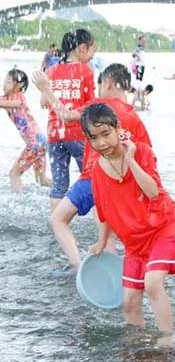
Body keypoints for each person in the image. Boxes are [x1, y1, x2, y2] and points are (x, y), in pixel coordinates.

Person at [81, 103, 175, 339]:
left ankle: (167, 341)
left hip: (163, 227)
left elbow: (153, 191)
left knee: (152, 282)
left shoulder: (141, 151)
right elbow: (104, 210)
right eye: (94, 138)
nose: (101, 143)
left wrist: (131, 160)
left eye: (106, 134)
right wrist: (102, 241)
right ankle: (137, 346)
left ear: (118, 128)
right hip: (135, 242)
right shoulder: (97, 171)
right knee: (129, 301)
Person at [32, 63, 152, 275]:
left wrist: (45, 89)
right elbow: (147, 155)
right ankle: (117, 278)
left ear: (107, 83)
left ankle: (78, 267)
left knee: (57, 220)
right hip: (123, 182)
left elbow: (66, 115)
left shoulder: (99, 105)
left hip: (93, 178)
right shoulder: (134, 116)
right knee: (108, 238)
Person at [38, 29, 96, 213]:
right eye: (92, 50)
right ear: (82, 48)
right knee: (92, 179)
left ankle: (58, 225)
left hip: (55, 134)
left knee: (59, 185)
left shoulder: (52, 70)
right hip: (78, 134)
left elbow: (43, 102)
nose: (93, 55)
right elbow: (90, 106)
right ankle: (104, 232)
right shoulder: (86, 71)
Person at [0, 69, 51, 191]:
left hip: (34, 145)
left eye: (8, 82)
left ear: (19, 85)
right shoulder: (6, 99)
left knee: (14, 173)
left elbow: (15, 104)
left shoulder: (19, 97)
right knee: (41, 179)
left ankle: (16, 200)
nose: (4, 84)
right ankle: (66, 190)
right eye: (4, 81)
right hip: (41, 143)